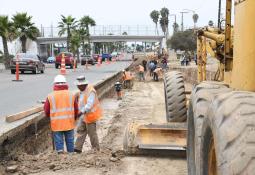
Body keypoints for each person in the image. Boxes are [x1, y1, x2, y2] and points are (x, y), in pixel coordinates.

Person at [44, 75, 78, 154]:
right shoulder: (71, 95)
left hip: (57, 124)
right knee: (70, 141)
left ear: (55, 84)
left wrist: (50, 117)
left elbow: (46, 110)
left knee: (59, 143)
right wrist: (74, 118)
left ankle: (60, 158)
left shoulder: (50, 96)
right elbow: (76, 109)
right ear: (65, 84)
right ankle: (71, 155)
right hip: (69, 123)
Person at [74, 76, 102, 153]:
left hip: (91, 116)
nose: (78, 88)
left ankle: (96, 149)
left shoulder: (91, 91)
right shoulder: (81, 91)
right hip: (84, 115)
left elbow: (89, 105)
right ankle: (77, 148)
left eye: (79, 86)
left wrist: (80, 113)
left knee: (92, 133)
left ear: (83, 85)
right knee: (81, 130)